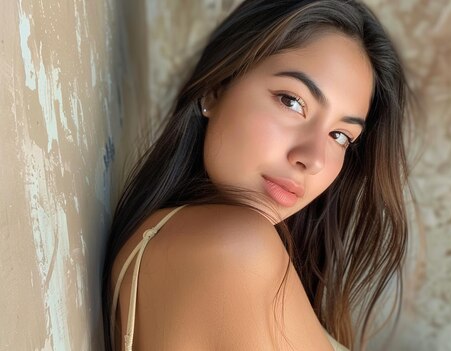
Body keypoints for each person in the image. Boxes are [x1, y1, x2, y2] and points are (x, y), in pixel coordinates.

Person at [102, 0, 417, 350]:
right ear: (216, 87)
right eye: (292, 101)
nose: (312, 158)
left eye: (340, 135)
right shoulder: (236, 246)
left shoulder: (200, 241)